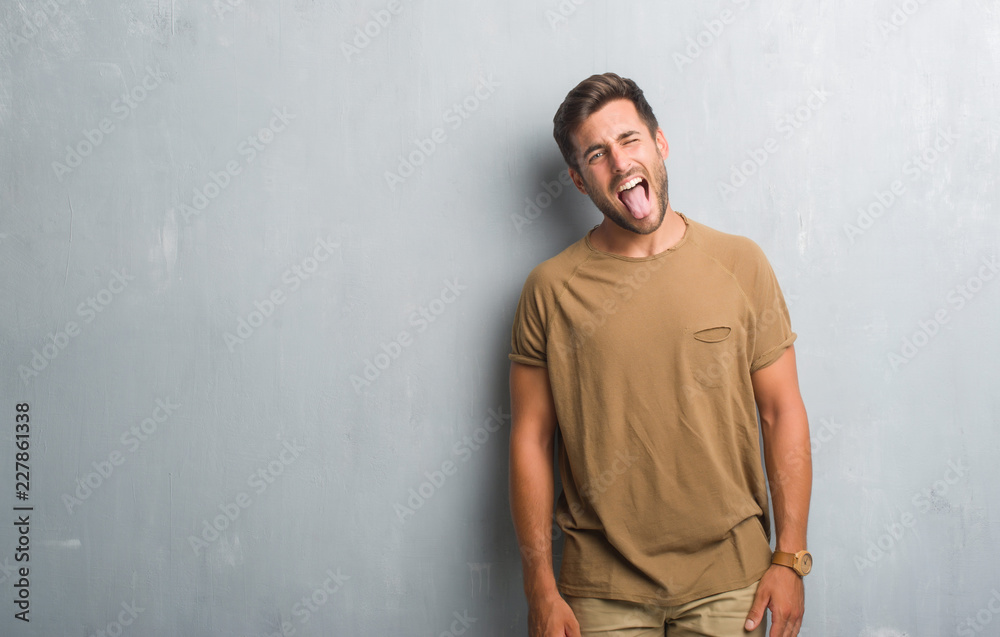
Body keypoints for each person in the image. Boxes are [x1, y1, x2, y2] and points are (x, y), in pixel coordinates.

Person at [507, 72, 812, 637]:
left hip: (733, 583)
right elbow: (530, 439)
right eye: (597, 154)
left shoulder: (741, 264)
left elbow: (782, 412)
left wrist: (790, 558)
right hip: (598, 594)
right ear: (578, 180)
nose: (620, 163)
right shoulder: (549, 290)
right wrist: (540, 589)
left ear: (659, 144)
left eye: (629, 140)